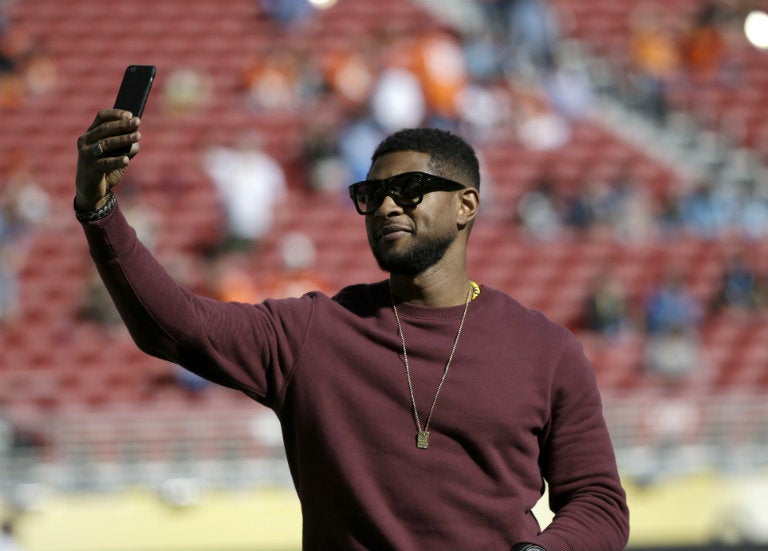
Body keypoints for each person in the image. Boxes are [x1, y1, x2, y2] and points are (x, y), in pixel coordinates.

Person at [74, 109, 629, 551]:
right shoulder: (312, 332)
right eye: (372, 194)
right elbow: (172, 325)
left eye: (410, 188)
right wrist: (98, 208)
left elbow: (598, 502)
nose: (386, 204)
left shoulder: (546, 349)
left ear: (466, 205)